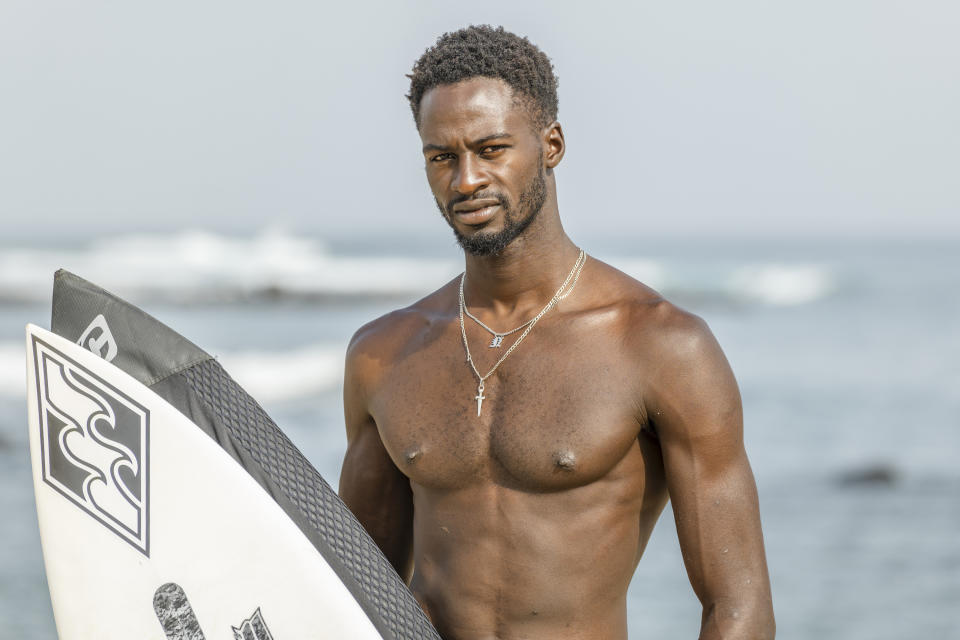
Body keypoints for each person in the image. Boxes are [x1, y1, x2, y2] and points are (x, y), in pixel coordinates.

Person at [339, 25, 775, 640]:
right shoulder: (383, 355)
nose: (465, 181)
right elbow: (352, 592)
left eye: (491, 149)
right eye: (442, 157)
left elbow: (740, 608)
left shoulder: (660, 347)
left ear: (551, 145)